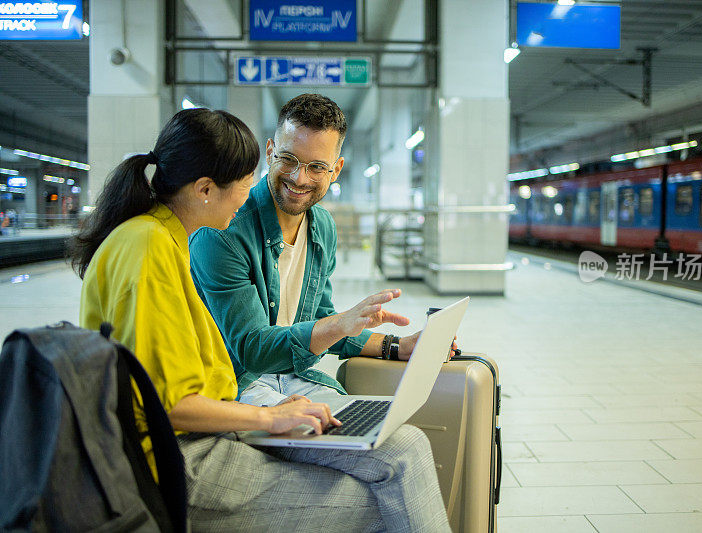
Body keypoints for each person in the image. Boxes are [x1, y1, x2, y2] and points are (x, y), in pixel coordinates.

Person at [72, 108, 450, 532]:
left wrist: (387, 344)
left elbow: (187, 383)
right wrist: (269, 418)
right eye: (247, 180)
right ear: (204, 189)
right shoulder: (152, 249)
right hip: (176, 462)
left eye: (316, 167)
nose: (253, 192)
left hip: (212, 430)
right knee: (382, 494)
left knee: (402, 453)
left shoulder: (161, 238)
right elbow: (171, 405)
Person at [190, 94, 455, 408]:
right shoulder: (223, 229)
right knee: (364, 446)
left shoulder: (322, 227)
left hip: (294, 375)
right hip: (235, 382)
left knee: (388, 431)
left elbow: (320, 319)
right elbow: (252, 349)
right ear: (270, 152)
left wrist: (398, 346)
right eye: (288, 159)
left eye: (316, 167)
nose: (298, 178)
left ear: (336, 169)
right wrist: (339, 323)